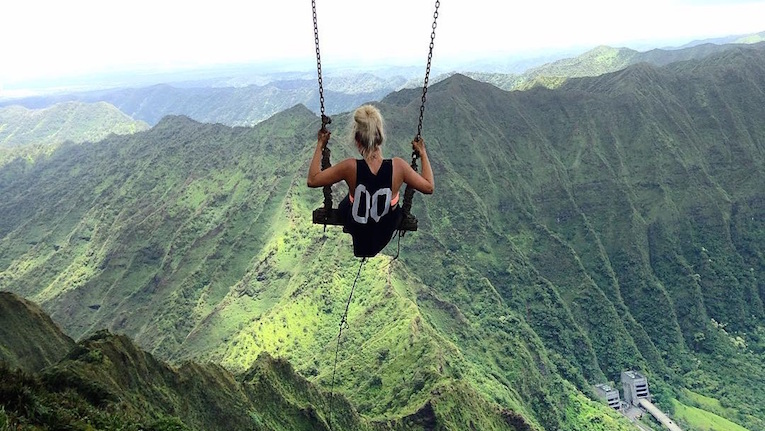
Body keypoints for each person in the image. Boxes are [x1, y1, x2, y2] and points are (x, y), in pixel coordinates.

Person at [307, 104, 434, 257]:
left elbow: (312, 180)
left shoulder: (350, 167)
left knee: (347, 202)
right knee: (394, 205)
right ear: (380, 138)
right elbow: (428, 187)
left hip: (358, 228)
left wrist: (320, 144)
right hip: (384, 229)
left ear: (356, 139)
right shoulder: (399, 166)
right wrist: (423, 153)